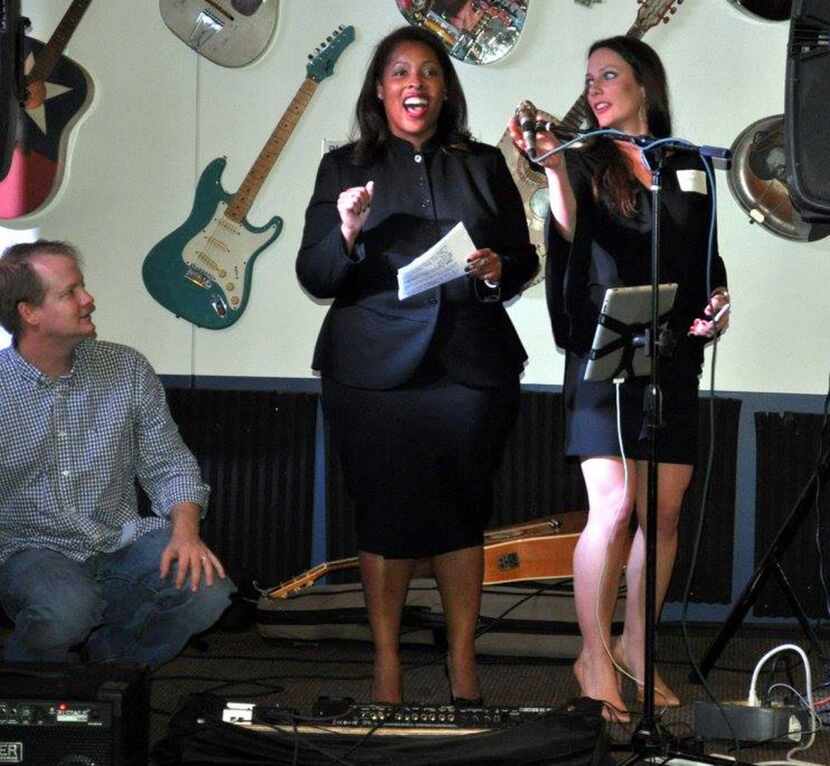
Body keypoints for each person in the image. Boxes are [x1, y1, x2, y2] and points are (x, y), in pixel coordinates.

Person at [297, 25, 537, 704]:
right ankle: (387, 666)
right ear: (379, 89)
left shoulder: (483, 162)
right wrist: (345, 230)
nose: (416, 84)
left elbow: (522, 257)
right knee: (386, 518)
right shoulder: (343, 167)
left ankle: (464, 666)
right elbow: (315, 273)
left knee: (463, 516)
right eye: (401, 72)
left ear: (445, 88)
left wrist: (497, 268)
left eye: (429, 73)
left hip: (471, 368)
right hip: (372, 369)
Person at [509, 37, 730, 721]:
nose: (596, 87)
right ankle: (594, 657)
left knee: (662, 511)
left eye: (609, 75)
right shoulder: (580, 158)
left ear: (645, 85)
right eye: (589, 78)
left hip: (672, 354)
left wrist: (719, 301)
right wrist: (550, 168)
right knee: (611, 507)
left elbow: (706, 252)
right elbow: (570, 230)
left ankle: (638, 646)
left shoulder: (687, 162)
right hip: (605, 351)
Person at [0, 240, 235, 667]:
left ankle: (112, 680)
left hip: (119, 539)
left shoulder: (125, 368)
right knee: (66, 611)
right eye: (69, 293)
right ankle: (22, 688)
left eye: (82, 287)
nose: (88, 300)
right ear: (29, 313)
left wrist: (186, 533)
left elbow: (170, 464)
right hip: (30, 549)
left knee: (207, 593)